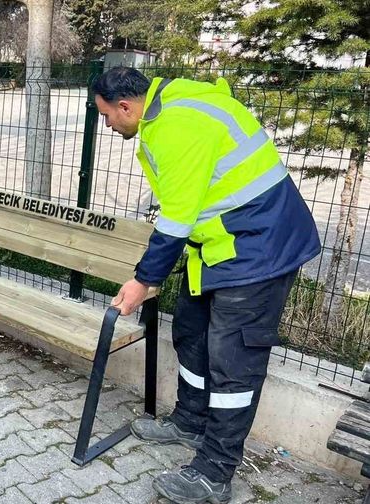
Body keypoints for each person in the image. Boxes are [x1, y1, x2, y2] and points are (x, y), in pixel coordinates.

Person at [91, 66, 320, 503]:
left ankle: (215, 472)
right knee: (191, 335)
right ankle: (189, 422)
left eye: (107, 116)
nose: (108, 124)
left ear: (125, 106)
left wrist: (144, 280)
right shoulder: (170, 105)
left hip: (258, 252)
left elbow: (175, 219)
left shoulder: (178, 125)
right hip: (218, 248)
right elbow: (192, 208)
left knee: (233, 365)